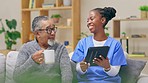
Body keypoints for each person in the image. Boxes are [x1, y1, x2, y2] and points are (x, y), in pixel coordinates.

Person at [71, 7, 127, 83]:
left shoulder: (115, 44)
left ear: (103, 20)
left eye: (91, 19)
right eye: (87, 20)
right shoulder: (83, 43)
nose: (88, 22)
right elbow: (78, 70)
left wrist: (107, 67)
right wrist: (82, 68)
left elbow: (115, 72)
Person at [13, 16, 73, 83]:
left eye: (53, 29)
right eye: (49, 30)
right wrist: (32, 61)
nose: (53, 33)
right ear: (37, 33)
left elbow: (67, 74)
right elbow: (16, 77)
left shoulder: (60, 48)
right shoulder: (26, 48)